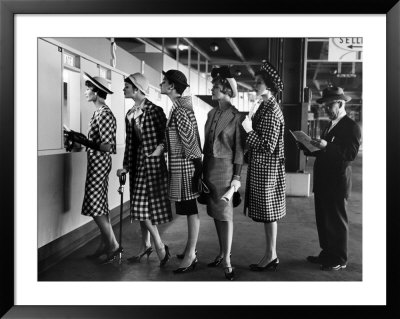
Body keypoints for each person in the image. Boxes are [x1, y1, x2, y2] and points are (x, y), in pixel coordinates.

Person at [299, 86, 361, 271]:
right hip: (324, 180)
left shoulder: (351, 126)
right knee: (324, 219)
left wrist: (327, 146)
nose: (325, 109)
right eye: (325, 105)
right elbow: (326, 152)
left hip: (337, 182)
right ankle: (327, 253)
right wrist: (309, 147)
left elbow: (350, 154)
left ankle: (340, 258)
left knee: (337, 221)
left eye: (329, 105)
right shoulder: (330, 125)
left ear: (340, 103)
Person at [64, 72, 120, 264]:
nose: (86, 92)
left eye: (88, 89)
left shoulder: (104, 114)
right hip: (97, 162)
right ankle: (105, 244)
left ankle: (113, 246)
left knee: (94, 205)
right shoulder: (99, 113)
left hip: (99, 162)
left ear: (97, 92)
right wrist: (80, 138)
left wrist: (84, 140)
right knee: (100, 204)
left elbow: (106, 145)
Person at [117, 73, 172, 267]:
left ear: (138, 89)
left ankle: (159, 245)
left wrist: (158, 151)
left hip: (154, 166)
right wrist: (125, 167)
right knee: (141, 208)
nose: (124, 89)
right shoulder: (130, 114)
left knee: (142, 208)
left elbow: (167, 137)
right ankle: (146, 245)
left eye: (127, 86)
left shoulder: (155, 111)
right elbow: (130, 144)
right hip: (139, 165)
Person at [241, 61, 286, 272]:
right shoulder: (264, 106)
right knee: (268, 214)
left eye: (258, 82)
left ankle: (271, 255)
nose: (254, 85)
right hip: (262, 167)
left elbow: (268, 146)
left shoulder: (272, 111)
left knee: (269, 214)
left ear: (268, 86)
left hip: (268, 169)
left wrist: (249, 130)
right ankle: (271, 254)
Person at [202, 66, 245, 280]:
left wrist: (236, 177)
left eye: (216, 87)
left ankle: (227, 260)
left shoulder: (236, 117)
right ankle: (221, 252)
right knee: (216, 215)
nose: (212, 89)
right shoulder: (211, 113)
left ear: (227, 91)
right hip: (209, 168)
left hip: (226, 170)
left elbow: (239, 150)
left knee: (226, 215)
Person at [159, 69, 203, 274]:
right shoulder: (178, 108)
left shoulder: (179, 111)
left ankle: (191, 254)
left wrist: (197, 170)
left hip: (185, 167)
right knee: (187, 209)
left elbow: (191, 142)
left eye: (164, 81)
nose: (161, 84)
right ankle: (189, 249)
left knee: (190, 209)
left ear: (172, 87)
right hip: (182, 166)